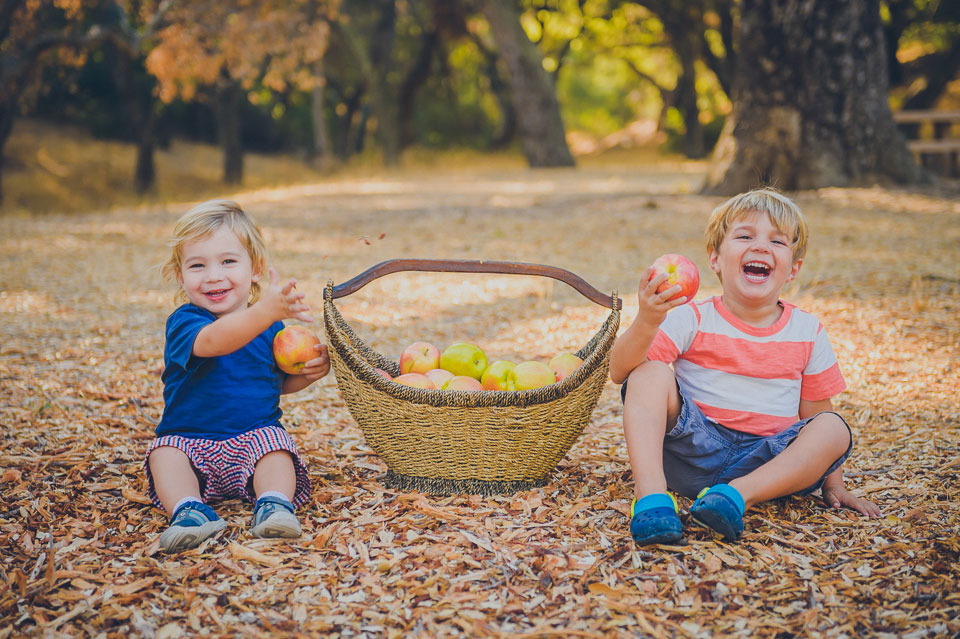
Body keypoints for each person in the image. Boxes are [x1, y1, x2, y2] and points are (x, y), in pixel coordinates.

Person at [610, 188, 880, 546]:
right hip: (692, 451)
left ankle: (735, 497)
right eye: (745, 236)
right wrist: (647, 319)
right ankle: (652, 498)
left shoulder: (807, 331)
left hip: (767, 462)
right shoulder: (691, 317)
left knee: (834, 428)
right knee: (649, 372)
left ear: (793, 270)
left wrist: (834, 484)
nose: (761, 247)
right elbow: (619, 371)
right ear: (715, 259)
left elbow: (814, 412)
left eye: (777, 241)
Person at [147, 199, 329, 553]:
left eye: (228, 261)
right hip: (191, 442)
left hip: (252, 440)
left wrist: (307, 375)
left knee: (276, 447)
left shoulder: (271, 327)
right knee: (163, 453)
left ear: (256, 269)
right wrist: (264, 311)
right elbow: (215, 342)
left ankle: (274, 504)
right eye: (197, 265)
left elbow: (272, 382)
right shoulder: (186, 323)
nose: (214, 275)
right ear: (180, 276)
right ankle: (189, 511)